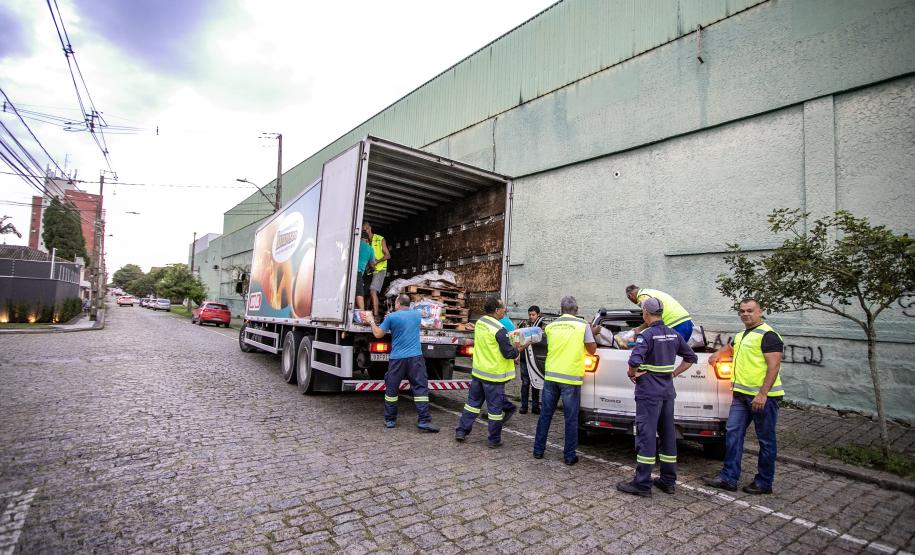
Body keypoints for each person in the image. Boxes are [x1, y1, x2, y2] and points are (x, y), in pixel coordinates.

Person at [702, 298, 784, 495]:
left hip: (762, 398)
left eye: (750, 311)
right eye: (742, 311)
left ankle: (764, 482)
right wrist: (717, 354)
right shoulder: (742, 335)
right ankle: (728, 477)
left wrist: (763, 394)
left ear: (760, 312)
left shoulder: (769, 335)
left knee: (766, 440)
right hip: (740, 396)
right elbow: (731, 347)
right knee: (732, 433)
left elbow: (774, 365)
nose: (745, 314)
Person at [616, 298, 697, 497]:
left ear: (645, 313)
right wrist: (674, 373)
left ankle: (642, 483)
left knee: (646, 435)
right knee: (668, 435)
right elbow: (691, 357)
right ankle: (668, 480)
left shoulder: (647, 335)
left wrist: (632, 373)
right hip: (667, 393)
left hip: (649, 394)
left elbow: (634, 359)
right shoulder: (673, 334)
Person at [533, 295, 597, 465]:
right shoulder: (583, 326)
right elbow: (592, 350)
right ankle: (569, 457)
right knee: (570, 418)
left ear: (560, 310)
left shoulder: (551, 325)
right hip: (570, 378)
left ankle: (538, 450)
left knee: (546, 414)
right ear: (576, 310)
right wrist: (593, 333)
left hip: (551, 375)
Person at [367, 294, 439, 433]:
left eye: (395, 303)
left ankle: (390, 420)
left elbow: (378, 334)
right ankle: (424, 420)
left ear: (398, 304)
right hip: (416, 358)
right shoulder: (417, 315)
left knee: (392, 389)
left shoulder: (391, 317)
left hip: (397, 359)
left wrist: (371, 321)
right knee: (420, 389)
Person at [455, 296, 519, 448]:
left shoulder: (481, 322)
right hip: (493, 377)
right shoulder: (499, 330)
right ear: (497, 310)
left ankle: (462, 431)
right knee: (495, 411)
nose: (505, 310)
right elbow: (509, 353)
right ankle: (494, 440)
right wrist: (521, 347)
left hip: (478, 373)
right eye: (503, 307)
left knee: (471, 404)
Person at [625, 284, 694, 343]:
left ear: (630, 296)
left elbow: (650, 317)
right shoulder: (650, 292)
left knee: (664, 354)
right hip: (687, 322)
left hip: (675, 324)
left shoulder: (643, 296)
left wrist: (639, 329)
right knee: (676, 353)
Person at [362, 222, 390, 318]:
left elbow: (388, 255)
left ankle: (376, 315)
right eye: (363, 229)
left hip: (380, 269)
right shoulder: (364, 241)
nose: (365, 230)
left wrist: (377, 261)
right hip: (370, 270)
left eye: (366, 228)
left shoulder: (380, 239)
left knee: (373, 291)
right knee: (364, 292)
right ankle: (365, 313)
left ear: (370, 228)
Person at [519, 305, 543, 415]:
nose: (531, 317)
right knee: (525, 383)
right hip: (524, 358)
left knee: (535, 383)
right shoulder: (523, 324)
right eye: (529, 314)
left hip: (535, 359)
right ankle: (524, 406)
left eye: (533, 315)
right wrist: (517, 353)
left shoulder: (542, 326)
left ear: (538, 314)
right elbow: (516, 336)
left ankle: (535, 406)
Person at [355, 230, 375, 310]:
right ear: (367, 240)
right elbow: (372, 264)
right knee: (359, 293)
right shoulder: (370, 249)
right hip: (358, 272)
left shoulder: (355, 244)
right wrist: (372, 269)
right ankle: (362, 313)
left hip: (348, 271)